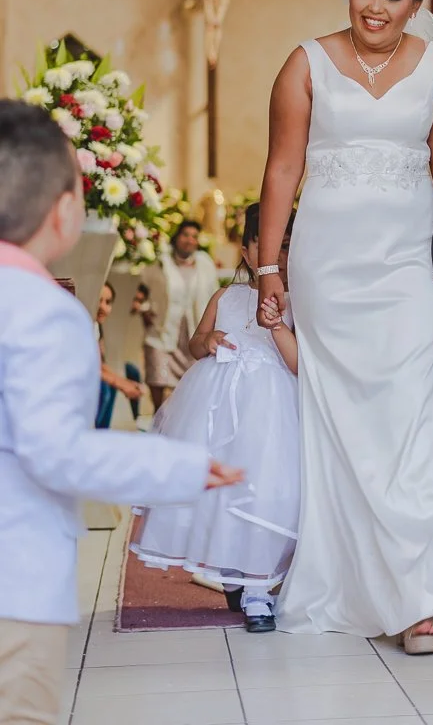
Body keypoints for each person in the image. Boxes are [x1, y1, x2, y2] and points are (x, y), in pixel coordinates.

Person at [256, 0, 433, 654]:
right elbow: (283, 169)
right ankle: (349, 584)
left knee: (412, 423)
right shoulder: (305, 62)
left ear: (416, 6)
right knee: (343, 424)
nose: (375, 7)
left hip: (410, 264)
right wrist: (268, 271)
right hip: (329, 267)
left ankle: (418, 600)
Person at [0, 99, 243, 725]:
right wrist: (179, 467)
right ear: (63, 213)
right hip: (14, 584)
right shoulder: (46, 312)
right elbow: (57, 451)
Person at [131, 203, 299, 633]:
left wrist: (277, 325)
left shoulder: (298, 302)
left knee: (266, 492)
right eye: (267, 246)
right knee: (222, 494)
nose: (277, 255)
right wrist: (209, 341)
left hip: (271, 413)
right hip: (217, 408)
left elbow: (300, 363)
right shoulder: (226, 296)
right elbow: (194, 341)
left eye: (286, 246)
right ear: (247, 252)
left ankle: (260, 588)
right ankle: (233, 570)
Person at [141, 219, 219, 410]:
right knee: (159, 377)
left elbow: (214, 293)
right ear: (177, 237)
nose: (190, 240)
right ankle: (157, 420)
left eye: (194, 236)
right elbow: (143, 290)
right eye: (185, 235)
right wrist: (144, 309)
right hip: (163, 331)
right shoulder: (160, 263)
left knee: (190, 390)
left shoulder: (205, 264)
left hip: (193, 331)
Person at [94, 282, 145, 429]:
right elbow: (91, 367)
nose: (103, 307)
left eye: (108, 302)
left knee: (112, 385)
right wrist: (121, 384)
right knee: (105, 388)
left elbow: (99, 364)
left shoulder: (97, 327)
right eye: (99, 300)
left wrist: (124, 382)